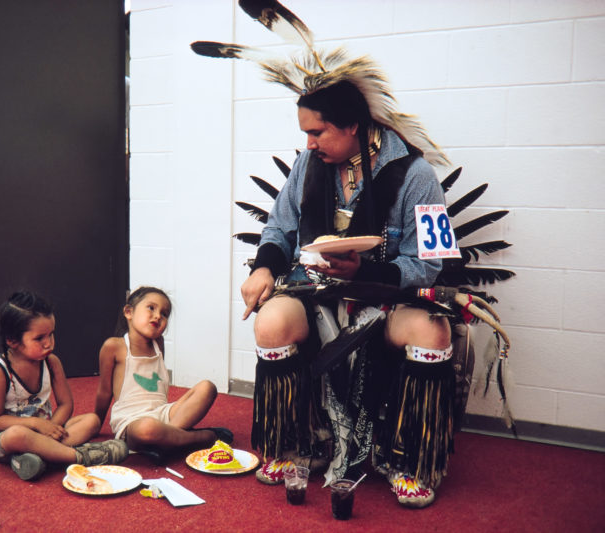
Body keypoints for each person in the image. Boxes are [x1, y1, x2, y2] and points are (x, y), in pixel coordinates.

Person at [240, 80, 453, 507]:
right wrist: (264, 267)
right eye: (305, 133)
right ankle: (297, 443)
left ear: (352, 125)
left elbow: (432, 263)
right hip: (314, 294)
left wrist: (368, 270)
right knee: (270, 322)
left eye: (317, 133)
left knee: (434, 334)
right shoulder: (307, 166)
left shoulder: (417, 175)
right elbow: (279, 228)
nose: (309, 143)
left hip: (385, 300)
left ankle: (408, 459)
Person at [0, 291, 128, 481]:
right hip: (8, 437)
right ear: (12, 341)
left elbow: (66, 404)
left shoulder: (51, 362)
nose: (48, 343)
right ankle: (78, 457)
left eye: (51, 334)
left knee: (92, 420)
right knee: (17, 435)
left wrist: (51, 427)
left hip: (49, 430)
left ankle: (38, 460)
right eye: (39, 338)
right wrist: (37, 424)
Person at [95, 286, 232, 462]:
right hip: (132, 421)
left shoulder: (158, 343)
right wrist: (97, 422)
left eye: (165, 313)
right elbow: (104, 391)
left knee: (207, 387)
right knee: (148, 429)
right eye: (151, 308)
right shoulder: (114, 346)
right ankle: (202, 438)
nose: (158, 315)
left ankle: (166, 441)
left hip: (163, 413)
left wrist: (168, 419)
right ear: (129, 312)